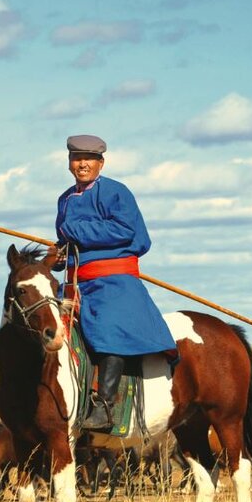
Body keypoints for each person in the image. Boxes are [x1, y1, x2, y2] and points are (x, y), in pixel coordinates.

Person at [54, 134, 177, 431]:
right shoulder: (65, 198)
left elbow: (124, 230)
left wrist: (73, 231)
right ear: (69, 163)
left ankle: (105, 405)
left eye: (88, 159)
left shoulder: (116, 192)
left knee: (109, 327)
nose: (82, 164)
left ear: (100, 163)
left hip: (115, 281)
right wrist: (61, 254)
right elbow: (73, 241)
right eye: (76, 158)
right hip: (77, 280)